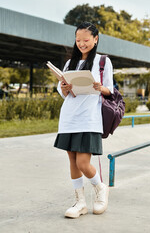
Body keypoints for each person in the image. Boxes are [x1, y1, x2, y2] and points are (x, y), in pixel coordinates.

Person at [54, 22, 113, 218]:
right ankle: (80, 203)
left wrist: (99, 87)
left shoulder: (103, 62)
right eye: (78, 40)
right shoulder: (70, 63)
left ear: (95, 39)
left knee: (82, 162)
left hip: (89, 118)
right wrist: (63, 89)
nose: (81, 44)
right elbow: (63, 93)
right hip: (69, 117)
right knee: (72, 160)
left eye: (86, 40)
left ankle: (100, 188)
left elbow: (109, 90)